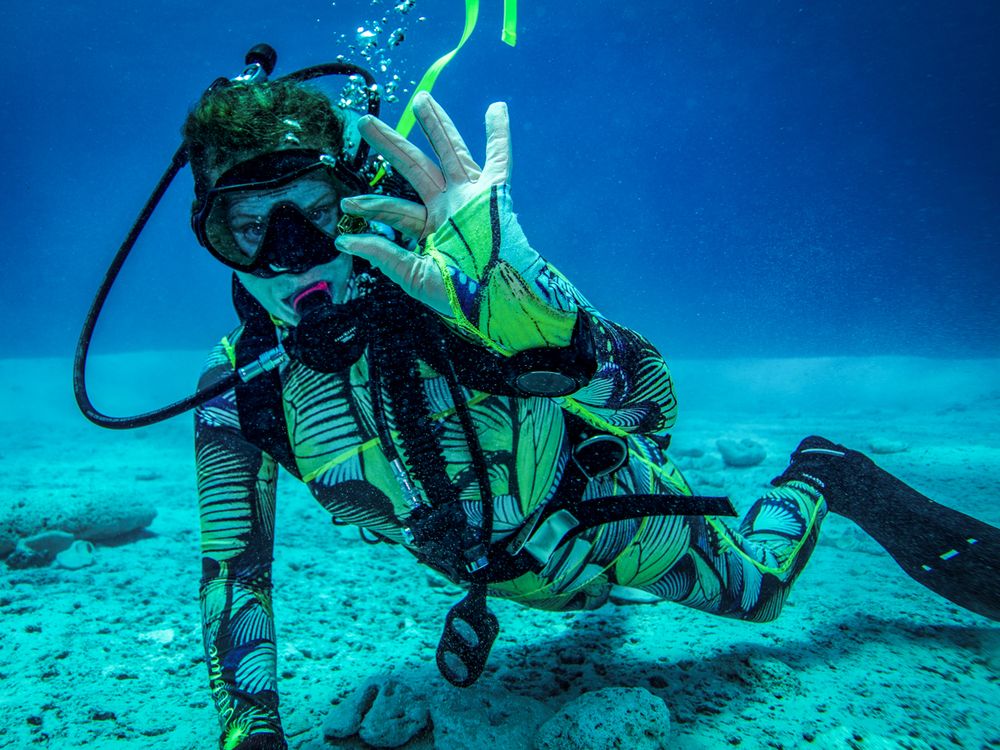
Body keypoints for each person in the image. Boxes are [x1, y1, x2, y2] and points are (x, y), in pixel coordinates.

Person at [179, 75, 999, 750]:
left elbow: (647, 406)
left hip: (611, 515)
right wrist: (252, 741)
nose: (288, 256)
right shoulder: (243, 390)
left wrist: (537, 315)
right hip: (506, 572)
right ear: (210, 236)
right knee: (589, 609)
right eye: (246, 227)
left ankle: (822, 472)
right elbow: (233, 572)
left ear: (354, 197)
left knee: (761, 597)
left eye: (313, 212)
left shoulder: (455, 285)